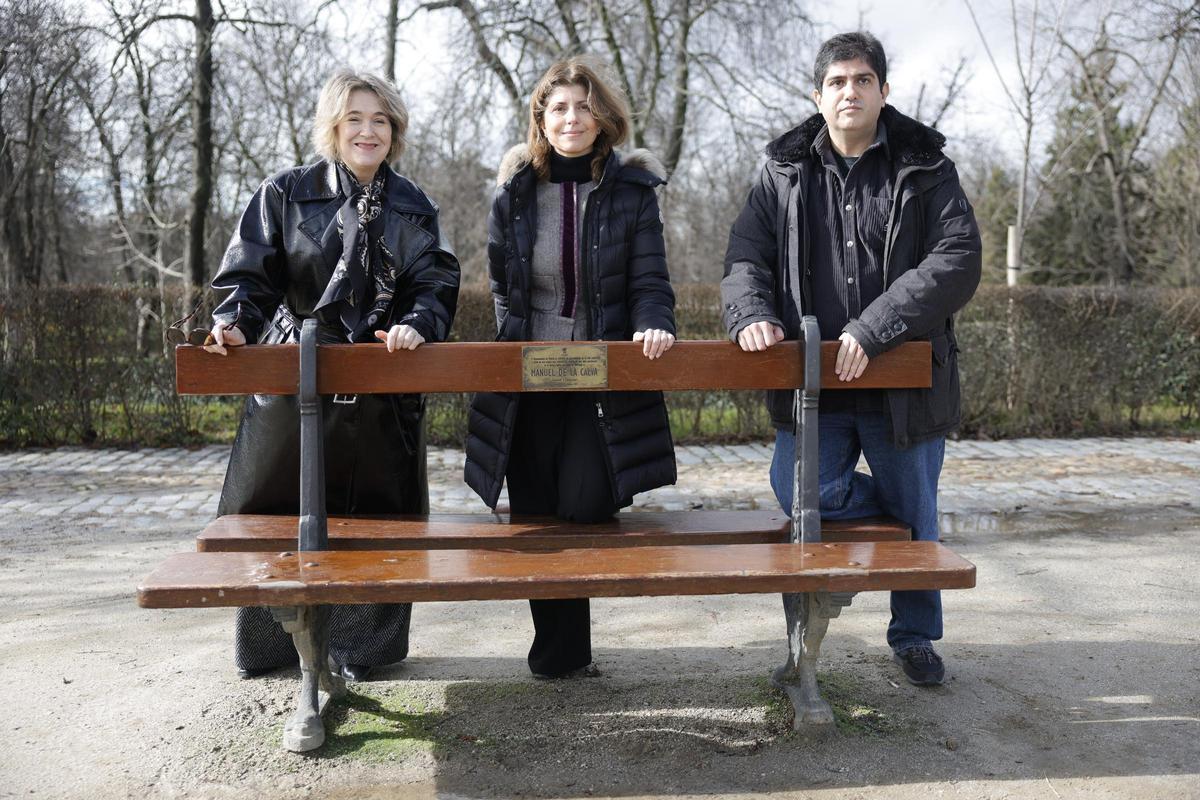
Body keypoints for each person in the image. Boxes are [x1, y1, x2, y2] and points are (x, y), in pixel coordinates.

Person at [720, 32, 981, 686]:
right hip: (816, 389)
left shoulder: (926, 166)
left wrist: (874, 327)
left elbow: (957, 258)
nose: (849, 92)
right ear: (818, 94)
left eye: (862, 80)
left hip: (903, 385)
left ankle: (915, 636)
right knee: (801, 493)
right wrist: (752, 314)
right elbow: (745, 258)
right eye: (836, 82)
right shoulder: (783, 173)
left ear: (883, 91)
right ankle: (888, 535)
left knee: (918, 507)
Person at [203, 69, 460, 682]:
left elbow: (436, 281)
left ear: (393, 131)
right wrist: (235, 321)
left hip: (382, 385)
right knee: (276, 512)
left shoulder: (414, 205)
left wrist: (420, 321)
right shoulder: (285, 193)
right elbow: (249, 275)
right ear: (333, 128)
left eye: (379, 120)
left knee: (380, 515)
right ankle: (276, 653)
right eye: (354, 119)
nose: (367, 131)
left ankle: (364, 654)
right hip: (296, 379)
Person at [464, 56, 677, 679]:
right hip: (531, 378)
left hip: (600, 378)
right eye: (559, 107)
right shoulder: (516, 194)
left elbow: (649, 279)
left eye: (584, 106)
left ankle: (571, 641)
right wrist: (515, 342)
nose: (572, 117)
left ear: (603, 116)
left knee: (583, 501)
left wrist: (654, 320)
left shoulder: (633, 191)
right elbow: (503, 284)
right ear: (541, 118)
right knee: (534, 513)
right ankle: (560, 655)